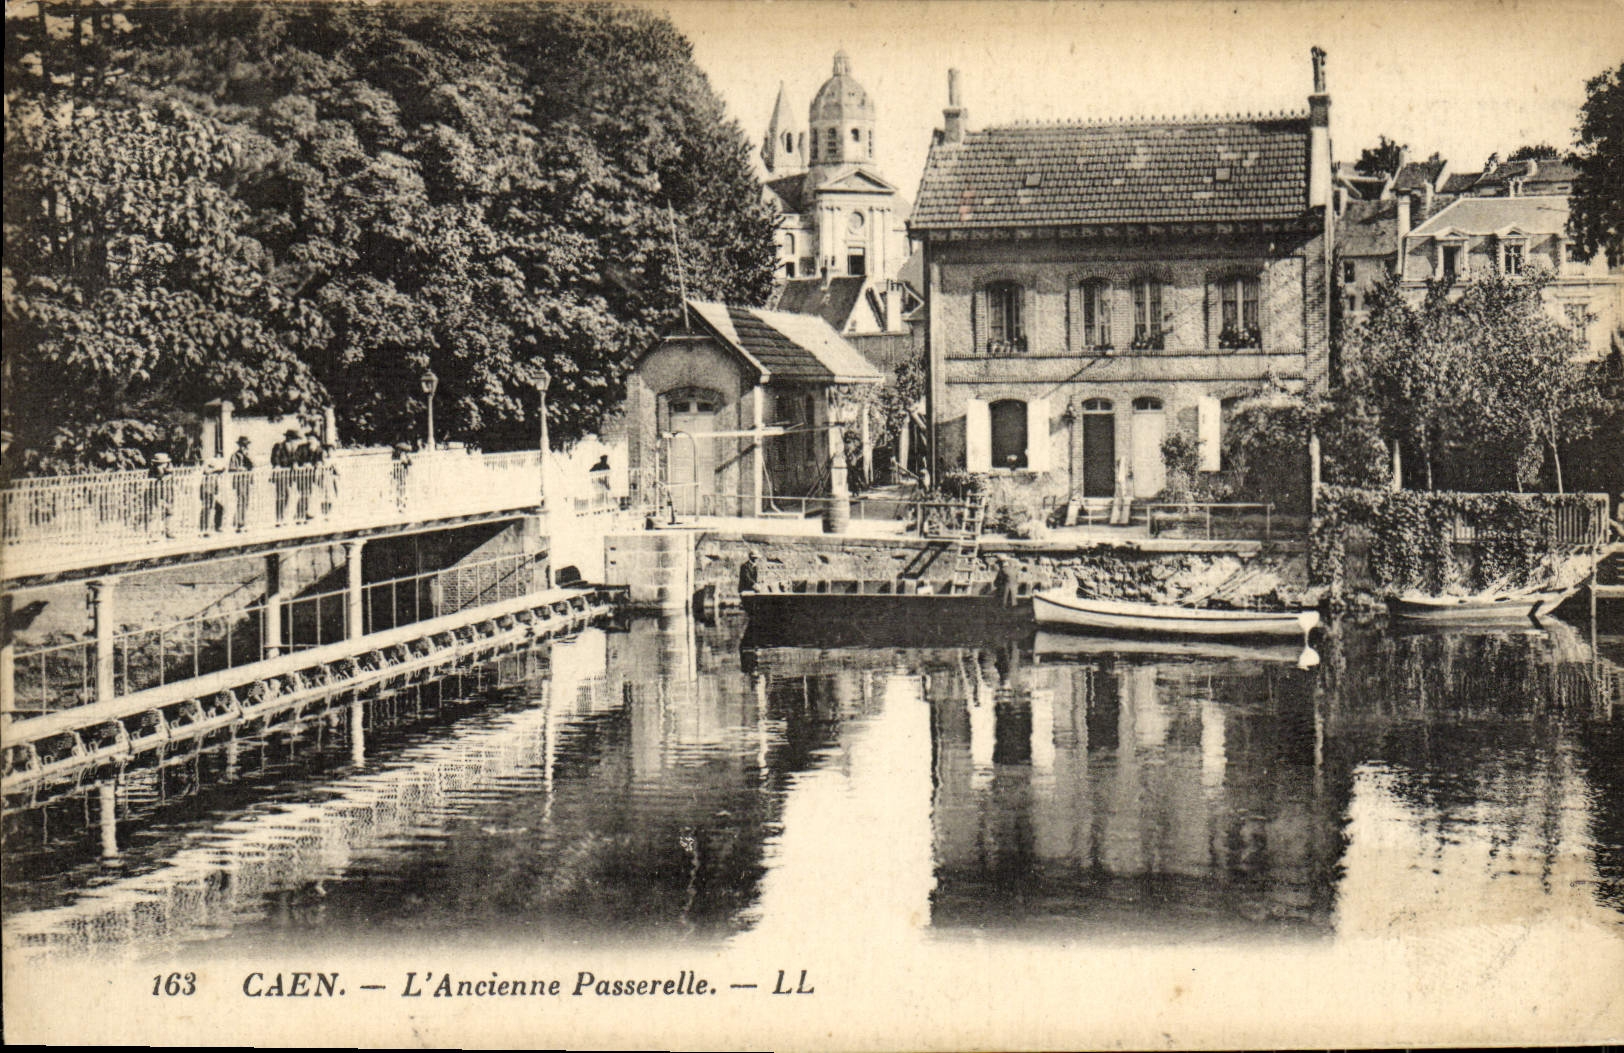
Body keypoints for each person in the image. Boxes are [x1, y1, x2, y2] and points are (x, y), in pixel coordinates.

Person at [270, 428, 299, 523]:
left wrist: (295, 463)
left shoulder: (294, 448)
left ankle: (283, 515)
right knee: (281, 495)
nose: (295, 441)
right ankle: (279, 517)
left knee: (287, 495)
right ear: (289, 438)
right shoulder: (279, 446)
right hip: (281, 475)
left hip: (289, 476)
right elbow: (275, 457)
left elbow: (295, 458)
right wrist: (277, 465)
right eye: (294, 439)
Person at [228, 436, 255, 533]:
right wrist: (239, 469)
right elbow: (231, 468)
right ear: (239, 446)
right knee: (241, 500)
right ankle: (239, 523)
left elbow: (253, 465)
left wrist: (247, 456)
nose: (244, 447)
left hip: (247, 480)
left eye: (246, 445)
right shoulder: (234, 456)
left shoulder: (248, 455)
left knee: (246, 501)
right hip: (239, 480)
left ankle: (244, 521)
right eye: (243, 445)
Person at [147, 453, 176, 538]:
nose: (163, 465)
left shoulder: (169, 469)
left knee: (169, 511)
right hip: (157, 494)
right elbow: (158, 478)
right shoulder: (153, 470)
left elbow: (169, 478)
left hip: (167, 493)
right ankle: (152, 533)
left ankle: (168, 530)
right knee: (154, 513)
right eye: (160, 464)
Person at [199, 455, 226, 535]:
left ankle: (217, 526)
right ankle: (204, 528)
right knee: (207, 509)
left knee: (219, 507)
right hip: (207, 492)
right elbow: (207, 472)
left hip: (211, 493)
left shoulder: (214, 475)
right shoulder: (207, 474)